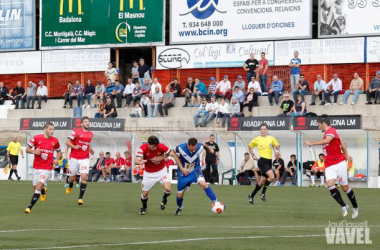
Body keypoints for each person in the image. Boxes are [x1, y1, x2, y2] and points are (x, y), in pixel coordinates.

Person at [304, 115, 359, 218]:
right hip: (329, 164)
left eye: (319, 125)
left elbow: (328, 141)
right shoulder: (327, 134)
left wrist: (311, 143)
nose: (318, 127)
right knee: (330, 184)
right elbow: (340, 143)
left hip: (339, 163)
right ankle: (344, 206)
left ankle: (355, 207)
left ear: (323, 123)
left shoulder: (331, 131)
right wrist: (347, 153)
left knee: (345, 187)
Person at [173, 138, 225, 216]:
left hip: (195, 171)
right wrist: (178, 164)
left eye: (195, 148)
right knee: (180, 195)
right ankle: (179, 207)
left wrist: (209, 149)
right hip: (183, 173)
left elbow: (204, 145)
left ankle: (216, 203)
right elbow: (172, 151)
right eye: (192, 149)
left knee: (204, 184)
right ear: (188, 145)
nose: (194, 151)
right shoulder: (180, 148)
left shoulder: (199, 147)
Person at [134, 135, 184, 215]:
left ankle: (164, 198)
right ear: (149, 144)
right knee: (144, 194)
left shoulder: (160, 146)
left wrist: (162, 157)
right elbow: (136, 160)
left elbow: (172, 153)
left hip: (161, 171)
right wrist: (139, 162)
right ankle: (144, 207)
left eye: (156, 146)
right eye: (153, 146)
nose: (155, 148)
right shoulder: (142, 148)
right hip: (148, 173)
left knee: (168, 189)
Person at [24, 122, 61, 214]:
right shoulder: (36, 138)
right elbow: (27, 149)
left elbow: (59, 152)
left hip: (47, 168)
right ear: (45, 129)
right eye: (50, 129)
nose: (52, 131)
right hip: (36, 167)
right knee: (35, 187)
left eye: (53, 129)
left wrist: (56, 159)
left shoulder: (55, 140)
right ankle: (43, 191)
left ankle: (29, 207)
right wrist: (34, 151)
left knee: (39, 186)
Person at [248, 123, 280, 204]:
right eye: (261, 129)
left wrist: (277, 147)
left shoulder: (271, 138)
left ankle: (251, 196)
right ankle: (263, 193)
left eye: (264, 129)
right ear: (260, 130)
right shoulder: (256, 139)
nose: (263, 130)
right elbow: (250, 147)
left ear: (267, 130)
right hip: (262, 161)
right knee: (272, 176)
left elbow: (277, 145)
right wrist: (253, 155)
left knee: (262, 181)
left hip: (269, 161)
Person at [65, 116, 94, 205]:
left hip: (85, 158)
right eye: (85, 122)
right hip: (74, 158)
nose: (87, 123)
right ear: (81, 124)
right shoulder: (76, 132)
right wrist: (74, 147)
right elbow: (67, 142)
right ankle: (70, 185)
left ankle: (80, 198)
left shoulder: (91, 134)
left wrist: (90, 149)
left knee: (84, 177)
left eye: (88, 122)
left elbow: (87, 144)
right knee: (71, 178)